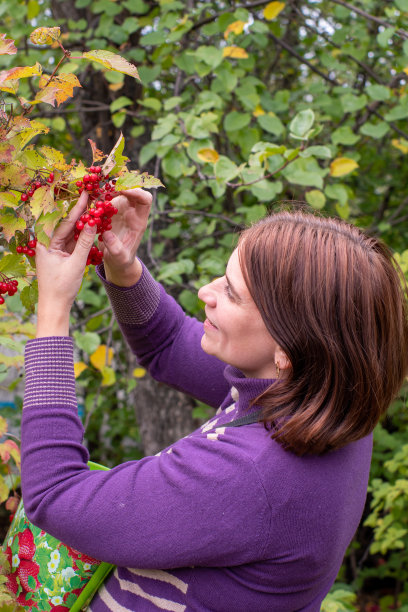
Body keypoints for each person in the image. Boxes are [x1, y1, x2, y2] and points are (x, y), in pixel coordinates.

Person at [21, 188, 408, 612]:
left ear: (289, 348)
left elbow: (54, 495)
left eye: (232, 293)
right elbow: (166, 344)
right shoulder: (321, 397)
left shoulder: (250, 477)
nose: (207, 291)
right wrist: (123, 266)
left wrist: (53, 310)